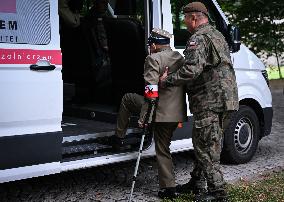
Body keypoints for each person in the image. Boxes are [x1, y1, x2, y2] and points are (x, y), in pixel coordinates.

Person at [159, 2, 239, 201]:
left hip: (209, 102)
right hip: (226, 101)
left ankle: (218, 193)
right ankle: (197, 182)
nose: (184, 23)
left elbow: (191, 71)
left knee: (205, 147)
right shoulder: (217, 34)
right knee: (207, 143)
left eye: (185, 19)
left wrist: (167, 80)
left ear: (194, 18)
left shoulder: (199, 38)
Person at [111, 28, 187, 199]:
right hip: (176, 114)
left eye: (149, 45)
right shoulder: (179, 57)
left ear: (153, 45)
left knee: (127, 98)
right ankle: (169, 187)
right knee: (164, 147)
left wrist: (145, 118)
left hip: (159, 112)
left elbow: (151, 93)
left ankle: (118, 136)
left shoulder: (153, 59)